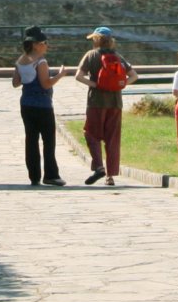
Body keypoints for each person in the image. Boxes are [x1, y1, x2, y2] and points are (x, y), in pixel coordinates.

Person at [75, 26, 135, 184]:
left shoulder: (91, 55)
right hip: (115, 102)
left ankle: (99, 166)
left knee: (91, 133)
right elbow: (134, 75)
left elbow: (78, 76)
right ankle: (110, 176)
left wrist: (95, 84)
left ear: (96, 39)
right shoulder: (117, 56)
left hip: (96, 101)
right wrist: (120, 85)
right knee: (112, 138)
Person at [15, 26, 67, 186]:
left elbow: (15, 83)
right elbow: (46, 84)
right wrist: (60, 75)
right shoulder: (41, 61)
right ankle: (51, 175)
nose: (46, 45)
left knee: (31, 140)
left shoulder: (20, 60)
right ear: (36, 44)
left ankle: (34, 176)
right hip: (43, 105)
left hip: (26, 104)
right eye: (44, 42)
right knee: (48, 140)